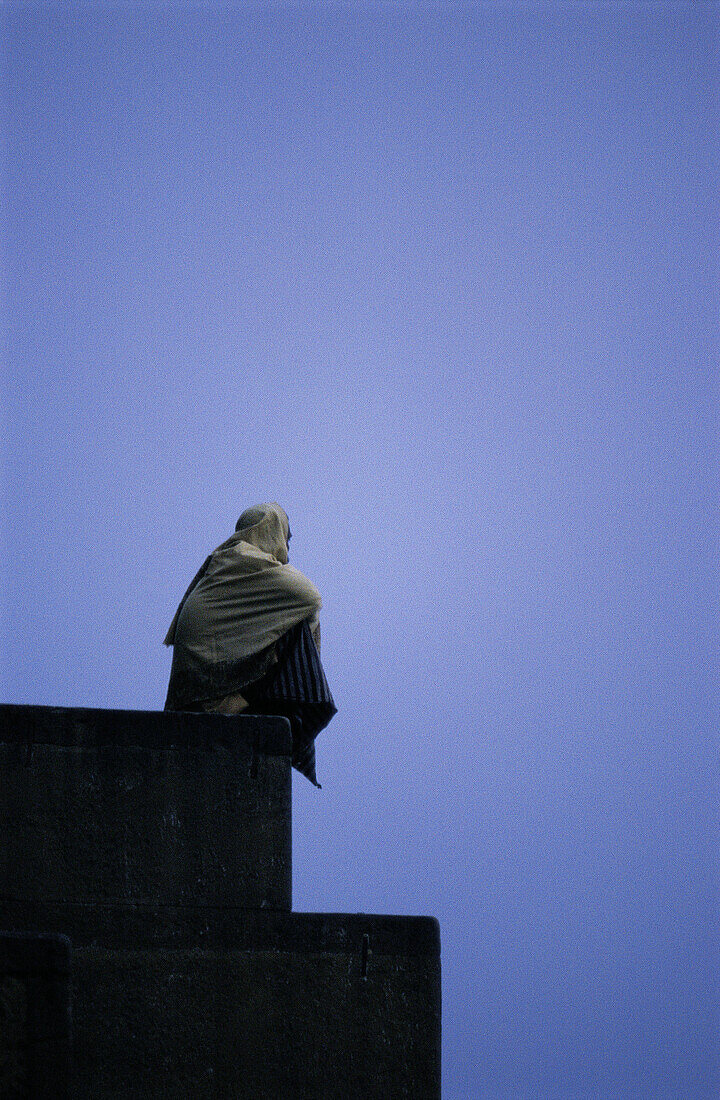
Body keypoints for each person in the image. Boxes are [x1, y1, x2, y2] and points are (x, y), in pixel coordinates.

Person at [163, 503, 336, 786]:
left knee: (286, 619)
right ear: (271, 532)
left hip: (196, 695)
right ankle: (297, 726)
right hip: (213, 700)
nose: (288, 549)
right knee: (296, 625)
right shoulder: (248, 561)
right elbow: (311, 598)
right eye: (286, 538)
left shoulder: (223, 563)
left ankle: (287, 723)